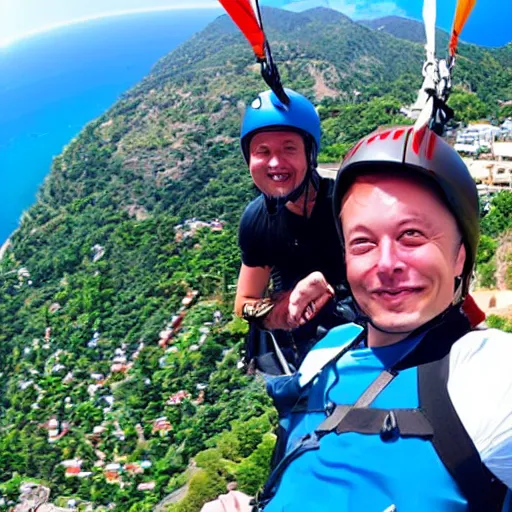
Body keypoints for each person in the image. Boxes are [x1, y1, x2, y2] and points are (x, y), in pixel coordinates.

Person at [256, 126, 512, 511]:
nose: (387, 264)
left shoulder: (483, 374)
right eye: (363, 243)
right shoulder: (326, 354)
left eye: (412, 235)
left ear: (460, 256)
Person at [234, 88, 353, 370]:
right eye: (262, 151)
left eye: (289, 148)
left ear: (309, 154)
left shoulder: (345, 202)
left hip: (362, 332)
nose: (275, 163)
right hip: (303, 355)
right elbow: (244, 302)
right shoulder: (257, 220)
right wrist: (282, 311)